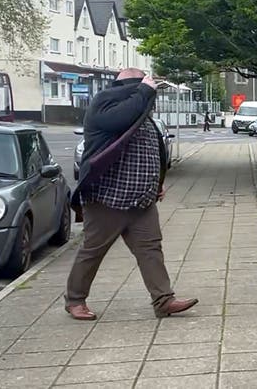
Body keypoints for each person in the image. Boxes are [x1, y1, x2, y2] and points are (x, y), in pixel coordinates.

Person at [66, 68, 198, 321]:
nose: (151, 95)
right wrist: (144, 90)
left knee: (150, 249)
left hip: (141, 201)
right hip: (107, 199)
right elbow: (119, 121)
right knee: (93, 250)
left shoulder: (142, 115)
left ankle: (164, 300)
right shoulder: (104, 103)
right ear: (130, 87)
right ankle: (75, 300)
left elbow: (155, 150)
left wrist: (157, 181)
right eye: (146, 87)